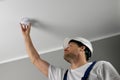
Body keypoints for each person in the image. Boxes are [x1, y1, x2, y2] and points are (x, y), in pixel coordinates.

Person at [20, 23, 120, 80]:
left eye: (70, 46)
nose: (65, 48)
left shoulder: (100, 66)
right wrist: (26, 37)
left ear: (82, 48)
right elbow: (35, 60)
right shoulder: (60, 76)